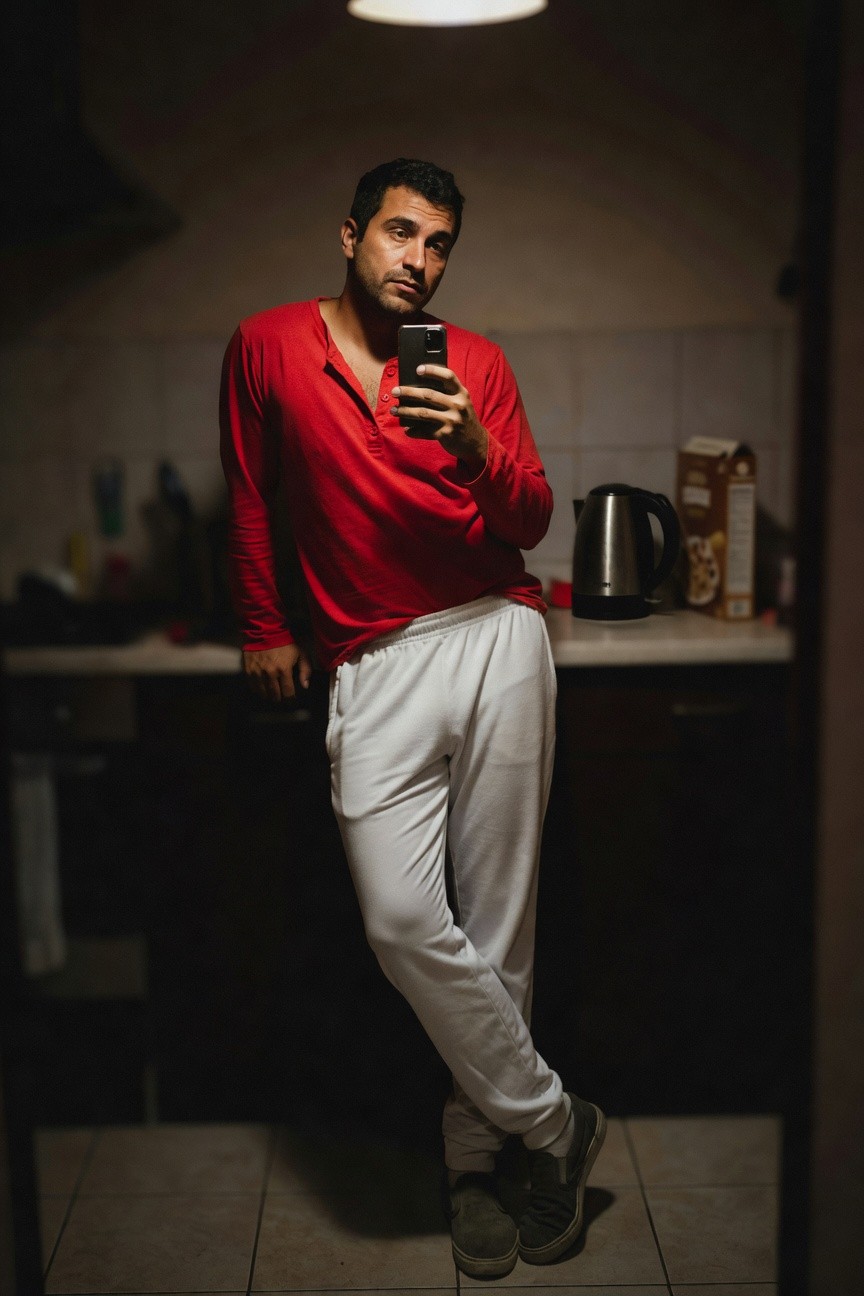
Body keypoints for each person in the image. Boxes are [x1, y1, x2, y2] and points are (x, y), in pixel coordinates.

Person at [219, 158, 605, 1279]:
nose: (419, 262)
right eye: (400, 234)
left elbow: (528, 517)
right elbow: (250, 495)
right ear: (350, 236)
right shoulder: (264, 347)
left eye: (438, 245)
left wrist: (480, 448)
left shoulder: (475, 361)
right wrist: (263, 626)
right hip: (368, 661)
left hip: (495, 631)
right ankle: (553, 1121)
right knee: (400, 919)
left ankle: (477, 1168)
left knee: (500, 929)